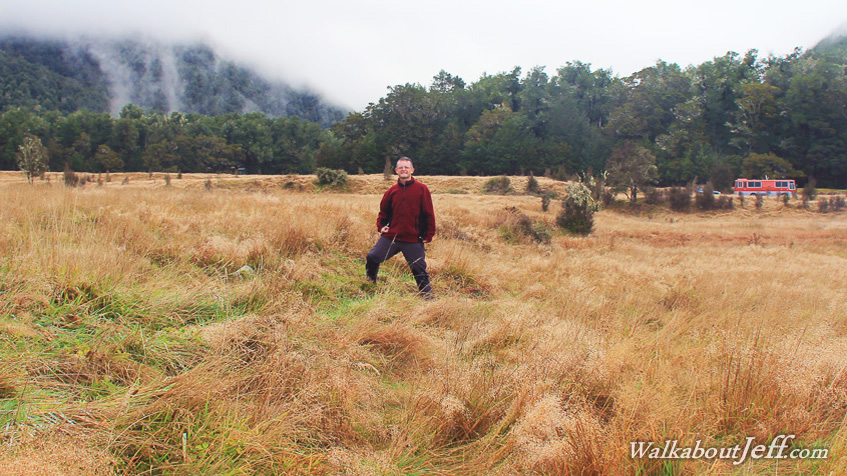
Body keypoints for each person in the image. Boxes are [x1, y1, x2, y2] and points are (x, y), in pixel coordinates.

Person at [366, 157, 436, 298]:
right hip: (392, 237)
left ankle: (426, 296)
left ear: (412, 170)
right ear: (397, 171)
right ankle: (369, 284)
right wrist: (381, 227)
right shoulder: (391, 191)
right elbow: (383, 212)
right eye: (401, 168)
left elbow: (429, 213)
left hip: (413, 239)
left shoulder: (422, 189)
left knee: (419, 268)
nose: (404, 170)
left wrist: (429, 235)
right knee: (372, 257)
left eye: (407, 167)